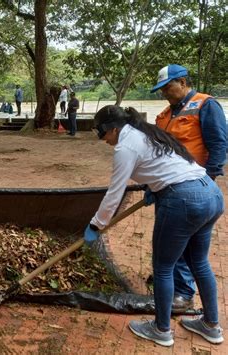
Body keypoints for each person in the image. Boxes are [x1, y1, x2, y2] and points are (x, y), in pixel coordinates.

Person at [84, 105, 224, 347]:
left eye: (103, 134)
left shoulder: (125, 146)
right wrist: (153, 188)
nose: (104, 140)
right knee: (199, 262)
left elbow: (114, 194)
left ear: (114, 129)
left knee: (163, 267)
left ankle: (161, 329)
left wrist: (96, 225)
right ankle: (211, 326)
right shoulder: (148, 133)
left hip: (182, 200)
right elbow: (165, 165)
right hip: (210, 193)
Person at [151, 64, 227, 312]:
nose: (164, 92)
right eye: (161, 89)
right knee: (171, 242)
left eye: (167, 87)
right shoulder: (164, 115)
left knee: (186, 246)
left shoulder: (205, 106)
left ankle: (183, 294)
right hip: (167, 189)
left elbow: (218, 143)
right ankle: (173, 284)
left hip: (191, 190)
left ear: (183, 82)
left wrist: (210, 178)